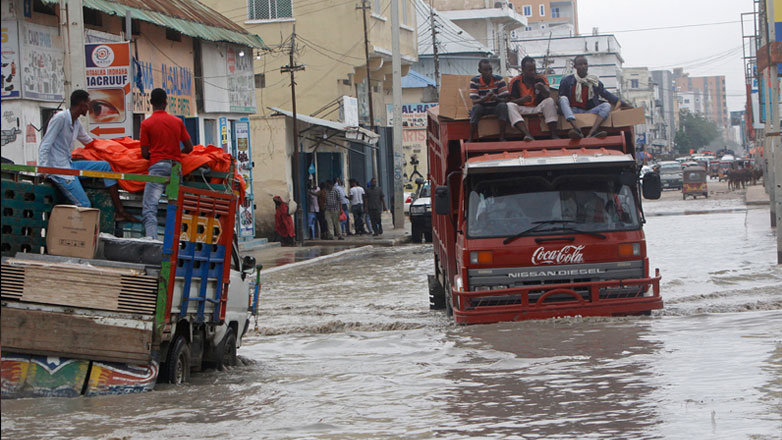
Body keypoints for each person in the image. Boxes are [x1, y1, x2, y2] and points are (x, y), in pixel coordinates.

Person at [38, 89, 139, 222]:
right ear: (81, 105)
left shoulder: (76, 123)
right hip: (59, 170)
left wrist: (113, 150)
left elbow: (89, 142)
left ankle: (120, 211)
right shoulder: (60, 118)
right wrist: (44, 169)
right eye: (87, 104)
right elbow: (45, 145)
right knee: (84, 205)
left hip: (69, 165)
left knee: (105, 166)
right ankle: (79, 237)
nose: (89, 107)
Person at [140, 88, 193, 238]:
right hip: (175, 168)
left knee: (150, 208)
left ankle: (153, 242)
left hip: (157, 168)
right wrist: (176, 154)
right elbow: (189, 147)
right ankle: (177, 243)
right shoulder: (177, 122)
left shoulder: (146, 124)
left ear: (151, 103)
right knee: (177, 209)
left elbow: (144, 153)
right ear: (166, 102)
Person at [558, 55, 632, 139]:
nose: (583, 66)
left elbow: (606, 94)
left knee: (606, 106)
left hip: (589, 111)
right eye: (580, 64)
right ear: (575, 67)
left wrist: (623, 103)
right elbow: (560, 99)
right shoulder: (567, 81)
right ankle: (577, 129)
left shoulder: (594, 81)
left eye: (585, 64)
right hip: (572, 112)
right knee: (563, 99)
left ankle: (592, 132)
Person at [506, 56, 559, 141]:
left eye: (534, 70)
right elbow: (510, 100)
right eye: (530, 70)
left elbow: (547, 94)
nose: (533, 72)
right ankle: (527, 134)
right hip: (522, 108)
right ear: (523, 69)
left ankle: (553, 134)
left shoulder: (541, 78)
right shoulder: (515, 81)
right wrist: (522, 100)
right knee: (509, 106)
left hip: (538, 107)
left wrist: (542, 88)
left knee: (549, 101)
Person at [468, 59, 510, 142]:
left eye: (490, 69)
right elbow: (474, 101)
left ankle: (502, 137)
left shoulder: (499, 79)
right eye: (485, 70)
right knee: (476, 108)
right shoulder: (474, 81)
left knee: (503, 106)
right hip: (482, 107)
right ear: (480, 71)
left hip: (495, 106)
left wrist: (495, 98)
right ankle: (471, 137)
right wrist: (485, 98)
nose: (489, 72)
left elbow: (506, 99)